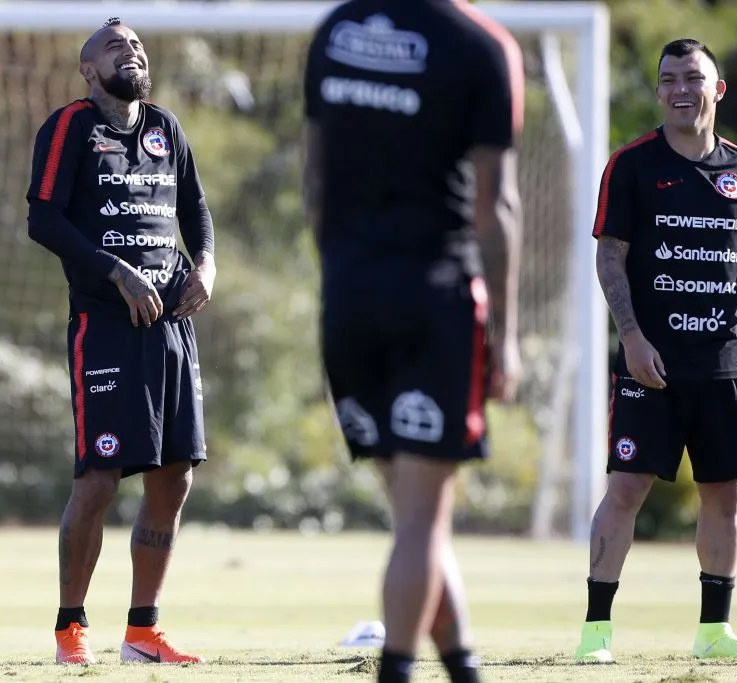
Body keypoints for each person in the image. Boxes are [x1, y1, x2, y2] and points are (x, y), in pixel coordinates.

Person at [302, 2, 524, 681]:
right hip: (435, 298)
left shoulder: (336, 30)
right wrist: (506, 339)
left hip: (347, 296)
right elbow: (498, 210)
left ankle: (462, 665)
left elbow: (314, 183)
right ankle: (396, 669)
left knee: (412, 518)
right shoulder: (483, 44)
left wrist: (343, 278)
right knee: (423, 520)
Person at [575, 38, 737, 664]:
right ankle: (595, 634)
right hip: (652, 366)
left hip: (724, 365)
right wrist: (632, 337)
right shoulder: (633, 165)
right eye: (667, 78)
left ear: (717, 89)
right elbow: (609, 254)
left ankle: (714, 632)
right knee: (626, 489)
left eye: (692, 77)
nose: (678, 89)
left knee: (726, 494)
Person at [25, 17, 216, 666]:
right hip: (104, 327)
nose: (129, 51)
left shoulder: (165, 127)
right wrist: (115, 271)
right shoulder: (72, 127)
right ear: (87, 68)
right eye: (113, 46)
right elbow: (43, 218)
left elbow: (196, 209)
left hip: (172, 328)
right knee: (100, 477)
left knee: (174, 477)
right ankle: (70, 627)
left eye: (135, 44)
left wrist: (207, 266)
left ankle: (143, 630)